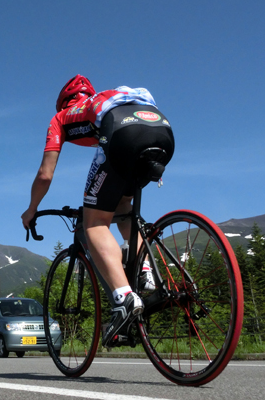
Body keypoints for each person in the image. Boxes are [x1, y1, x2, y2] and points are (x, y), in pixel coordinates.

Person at [21, 75, 175, 347]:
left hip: (123, 136)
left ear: (64, 103)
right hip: (161, 131)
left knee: (94, 223)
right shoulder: (108, 99)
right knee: (123, 207)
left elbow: (45, 175)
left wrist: (31, 209)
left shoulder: (61, 118)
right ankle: (146, 272)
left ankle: (124, 298)